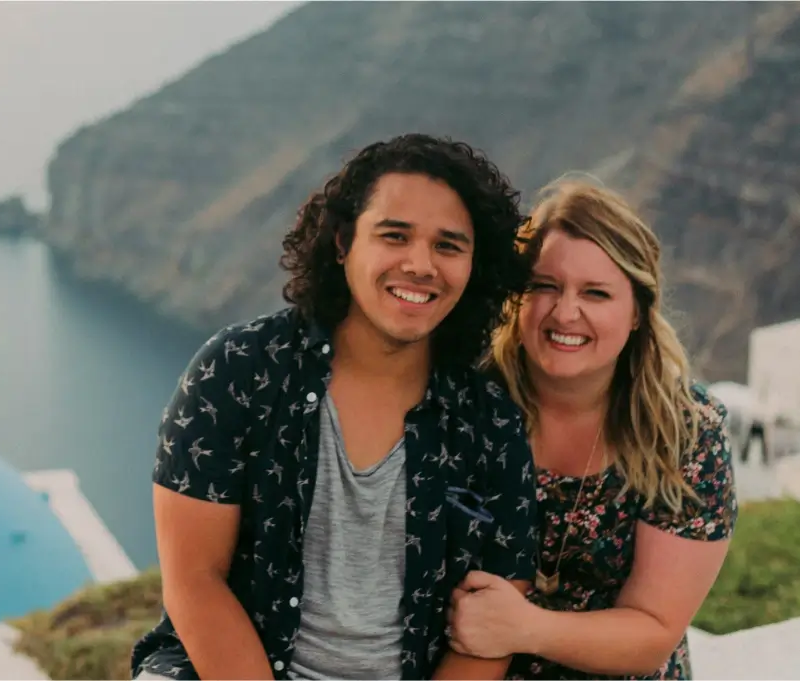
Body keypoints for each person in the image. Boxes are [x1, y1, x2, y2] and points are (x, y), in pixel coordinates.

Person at [130, 133, 540, 681]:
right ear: (343, 242)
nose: (420, 265)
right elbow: (193, 580)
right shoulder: (238, 371)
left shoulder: (490, 422)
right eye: (395, 236)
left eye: (448, 245)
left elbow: (491, 631)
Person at [446, 179, 738, 679]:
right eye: (544, 286)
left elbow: (652, 632)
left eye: (596, 293)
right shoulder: (463, 400)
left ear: (636, 316)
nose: (565, 313)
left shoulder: (685, 434)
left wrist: (525, 629)